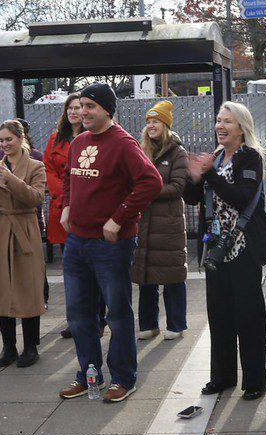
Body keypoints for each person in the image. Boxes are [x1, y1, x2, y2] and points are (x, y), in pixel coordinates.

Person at [58, 83, 162, 403]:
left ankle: (124, 378)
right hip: (77, 242)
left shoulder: (123, 143)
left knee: (117, 314)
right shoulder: (79, 142)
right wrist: (66, 207)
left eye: (91, 106)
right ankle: (89, 375)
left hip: (110, 245)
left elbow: (151, 182)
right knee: (79, 315)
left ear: (107, 109)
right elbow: (68, 178)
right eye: (82, 105)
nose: (84, 112)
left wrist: (119, 218)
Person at [185, 101, 266, 401]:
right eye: (219, 121)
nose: (220, 126)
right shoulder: (217, 157)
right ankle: (222, 377)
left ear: (242, 128)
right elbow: (192, 197)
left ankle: (255, 381)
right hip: (216, 248)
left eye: (228, 122)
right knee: (219, 314)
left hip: (243, 248)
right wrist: (194, 176)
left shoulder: (251, 157)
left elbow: (241, 198)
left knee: (249, 316)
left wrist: (210, 175)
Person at [0, 119, 47, 368]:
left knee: (28, 288)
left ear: (21, 138)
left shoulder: (36, 166)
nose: (5, 145)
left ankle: (31, 346)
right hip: (1, 229)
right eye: (1, 140)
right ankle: (8, 346)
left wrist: (10, 178)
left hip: (24, 228)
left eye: (9, 139)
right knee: (2, 289)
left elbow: (34, 198)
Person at [43, 93, 107, 340]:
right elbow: (49, 168)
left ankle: (98, 318)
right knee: (72, 270)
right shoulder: (55, 139)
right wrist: (63, 196)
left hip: (87, 209)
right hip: (62, 209)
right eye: (69, 108)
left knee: (94, 269)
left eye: (78, 107)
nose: (73, 112)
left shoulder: (92, 138)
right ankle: (76, 320)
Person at [133, 100, 189, 341]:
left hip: (168, 225)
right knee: (145, 275)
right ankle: (148, 324)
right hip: (143, 223)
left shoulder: (178, 152)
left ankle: (176, 324)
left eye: (156, 121)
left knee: (172, 276)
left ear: (166, 125)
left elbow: (177, 187)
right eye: (148, 122)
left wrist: (147, 190)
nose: (151, 125)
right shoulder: (140, 150)